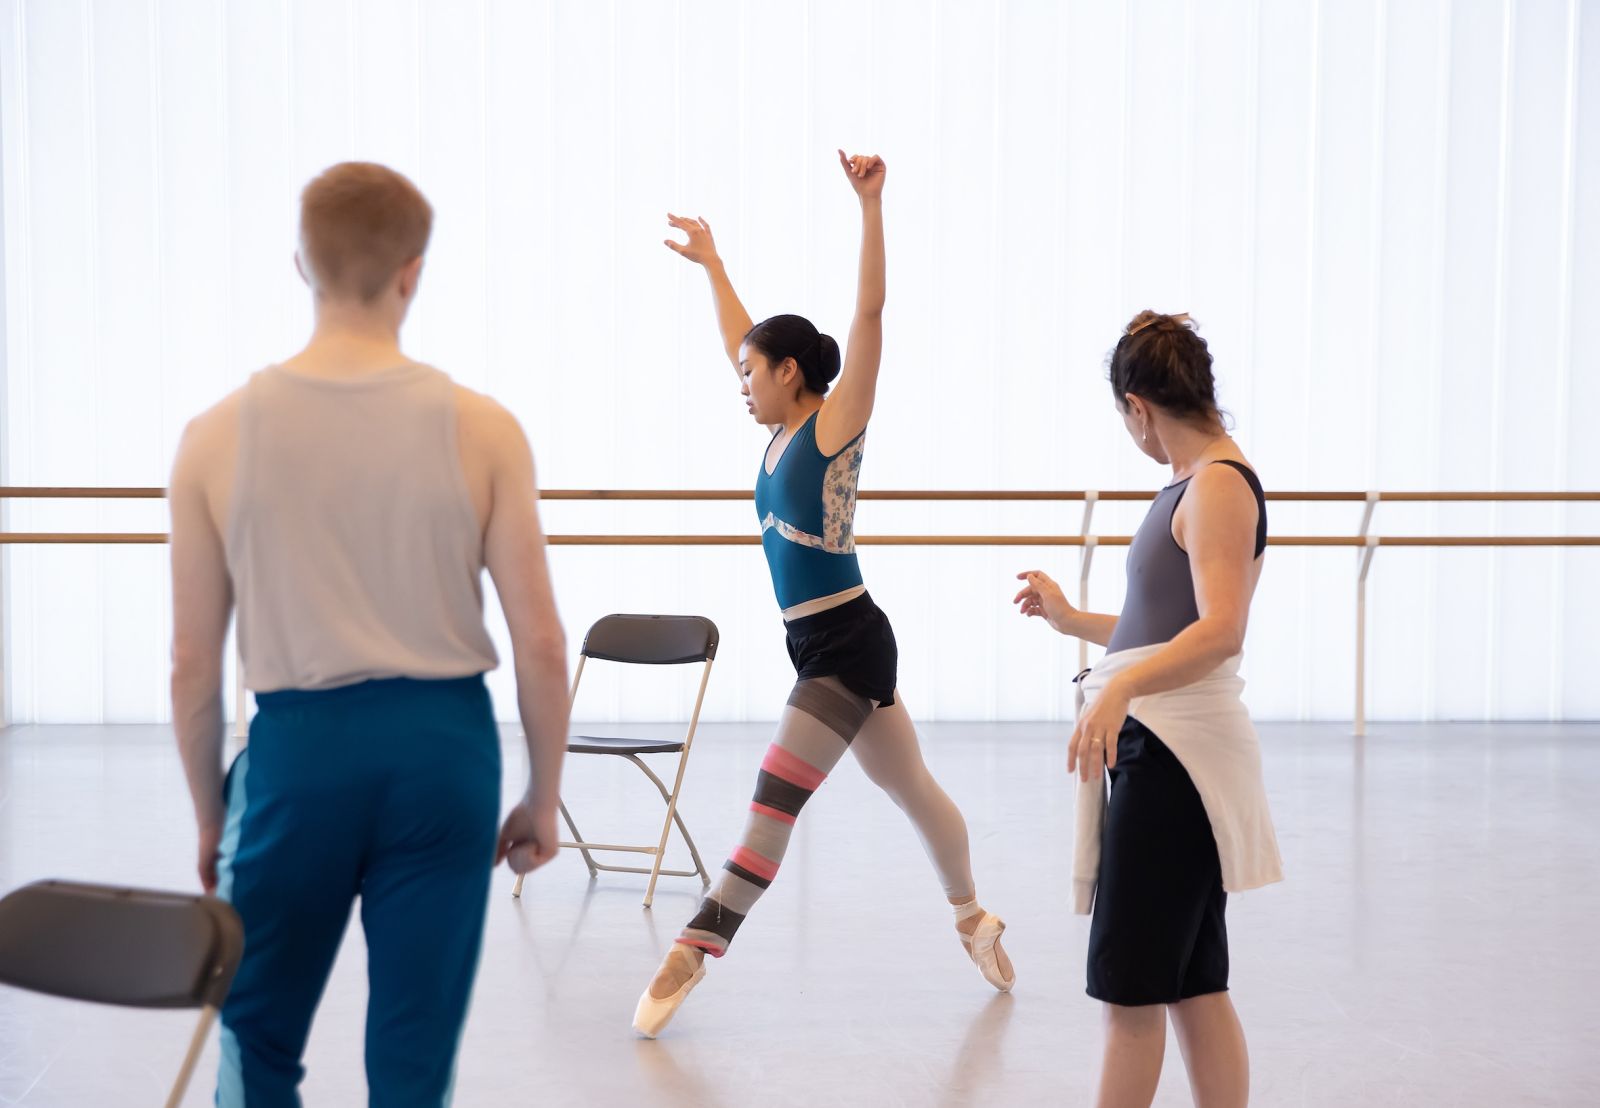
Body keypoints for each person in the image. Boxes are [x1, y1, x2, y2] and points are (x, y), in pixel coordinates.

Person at [167, 161, 570, 1105]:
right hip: (443, 757)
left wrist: (208, 817)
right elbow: (543, 642)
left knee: (258, 1033)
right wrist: (543, 797)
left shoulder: (215, 436)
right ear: (412, 272)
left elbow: (192, 665)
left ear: (299, 263)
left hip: (299, 755)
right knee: (413, 1054)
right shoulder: (484, 429)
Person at [633, 150, 1014, 1040]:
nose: (741, 383)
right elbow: (745, 335)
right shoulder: (772, 435)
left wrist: (871, 207)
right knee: (914, 789)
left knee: (775, 797)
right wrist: (716, 266)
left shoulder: (831, 425)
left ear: (791, 374)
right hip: (825, 643)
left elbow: (869, 314)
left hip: (845, 644)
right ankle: (973, 918)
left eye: (752, 373)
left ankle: (694, 946)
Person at [1013, 311, 1283, 1108]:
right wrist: (1075, 623)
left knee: (1131, 993)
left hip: (1174, 761)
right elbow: (1164, 625)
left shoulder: (1218, 486)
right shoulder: (1196, 482)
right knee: (1193, 984)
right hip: (1169, 753)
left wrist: (1124, 686)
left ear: (1138, 405)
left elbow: (1221, 629)